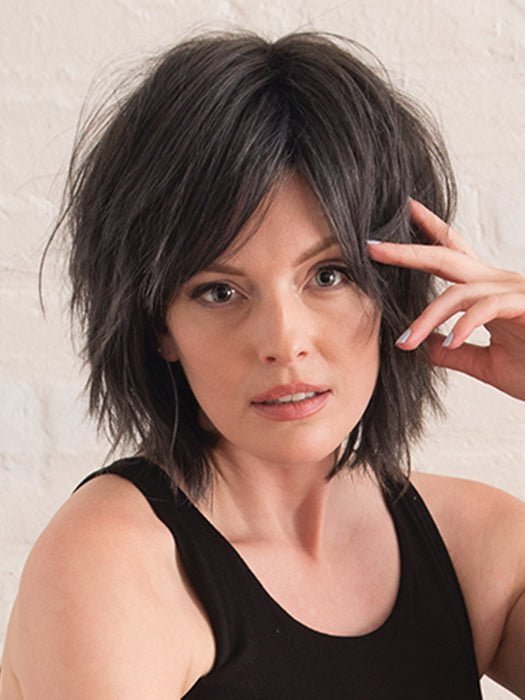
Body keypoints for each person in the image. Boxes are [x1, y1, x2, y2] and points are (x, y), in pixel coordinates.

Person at [1, 30, 524, 699]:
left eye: (329, 275)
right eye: (219, 292)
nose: (284, 341)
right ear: (159, 326)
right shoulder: (113, 562)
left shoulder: (474, 542)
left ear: (394, 284)